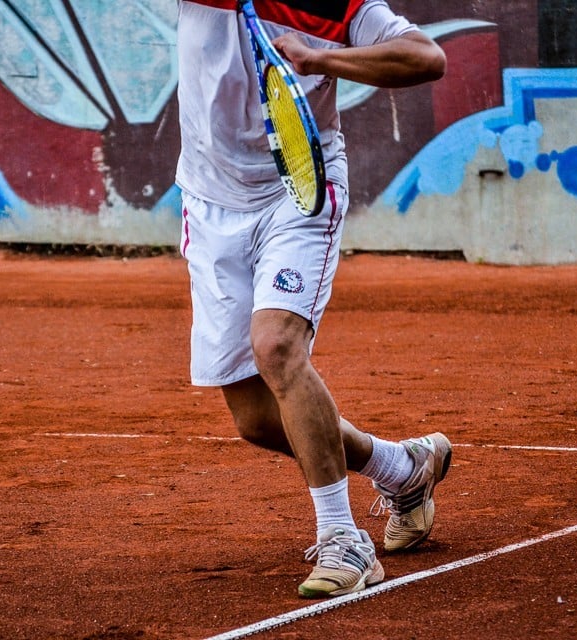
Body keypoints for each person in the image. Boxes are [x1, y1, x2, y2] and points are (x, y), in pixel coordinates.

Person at [175, 0, 451, 598]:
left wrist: (322, 56)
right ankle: (401, 468)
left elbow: (427, 58)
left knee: (276, 346)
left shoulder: (338, 5)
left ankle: (343, 540)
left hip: (298, 193)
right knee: (253, 419)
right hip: (208, 200)